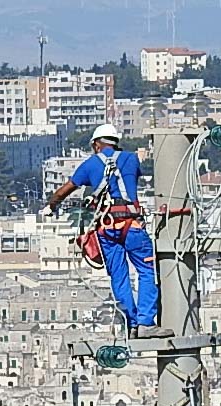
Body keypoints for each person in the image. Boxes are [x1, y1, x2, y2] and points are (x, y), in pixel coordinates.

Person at [47, 124, 173, 339]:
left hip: (105, 228)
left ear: (96, 145)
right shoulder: (131, 158)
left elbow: (64, 190)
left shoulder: (89, 165)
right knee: (146, 271)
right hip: (131, 225)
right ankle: (145, 323)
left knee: (119, 277)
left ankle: (131, 324)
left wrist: (51, 205)